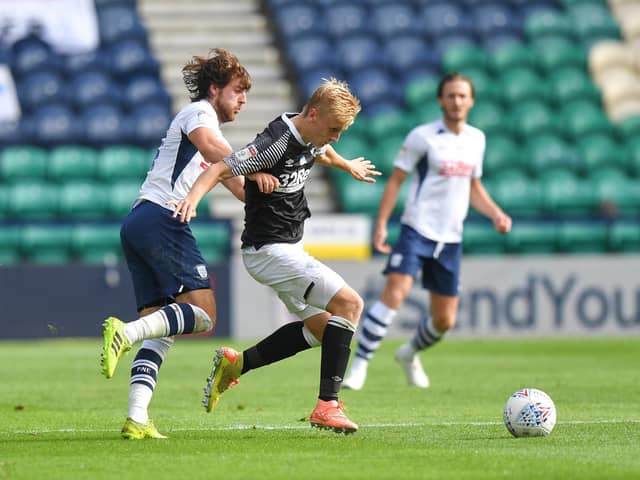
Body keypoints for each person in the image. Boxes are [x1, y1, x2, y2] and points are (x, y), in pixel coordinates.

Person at [171, 78, 381, 434]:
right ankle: (327, 406)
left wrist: (346, 165)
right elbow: (222, 168)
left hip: (286, 247)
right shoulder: (276, 143)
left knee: (323, 330)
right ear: (312, 113)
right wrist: (192, 199)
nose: (336, 137)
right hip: (270, 251)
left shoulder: (311, 134)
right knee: (350, 306)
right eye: (333, 129)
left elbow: (321, 150)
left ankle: (236, 366)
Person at [99, 48, 278, 440]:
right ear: (214, 90)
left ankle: (136, 417)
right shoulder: (199, 114)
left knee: (159, 328)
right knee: (205, 314)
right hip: (164, 217)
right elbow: (215, 149)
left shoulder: (210, 133)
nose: (243, 100)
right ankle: (123, 334)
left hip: (140, 221)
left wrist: (274, 202)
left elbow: (235, 183)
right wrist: (258, 163)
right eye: (237, 91)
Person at [342, 73, 512, 391]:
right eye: (451, 95)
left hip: (451, 238)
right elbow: (396, 180)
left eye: (462, 96)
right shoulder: (423, 136)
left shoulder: (477, 139)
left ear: (471, 101)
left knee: (444, 320)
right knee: (395, 293)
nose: (457, 101)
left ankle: (408, 353)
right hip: (417, 229)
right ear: (440, 100)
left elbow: (473, 187)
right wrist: (382, 224)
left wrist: (495, 214)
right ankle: (359, 367)